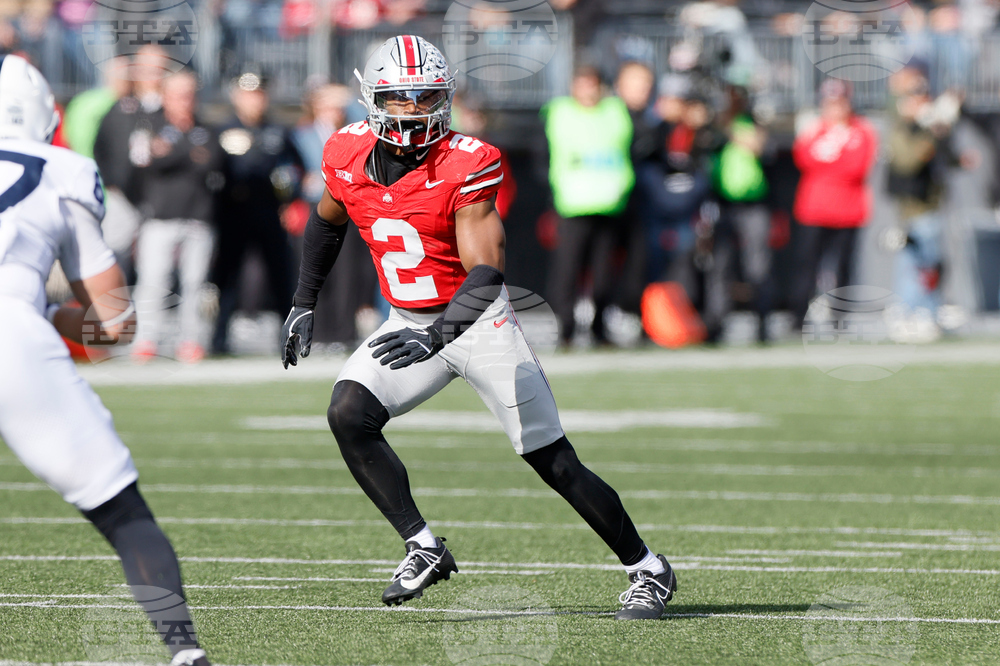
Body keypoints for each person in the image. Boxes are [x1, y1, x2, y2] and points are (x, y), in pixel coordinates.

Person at [280, 35, 676, 620]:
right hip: (408, 320)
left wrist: (437, 336)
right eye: (401, 98)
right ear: (373, 99)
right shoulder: (343, 152)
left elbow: (487, 271)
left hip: (476, 322)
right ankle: (422, 546)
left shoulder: (467, 160)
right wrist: (303, 300)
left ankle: (648, 568)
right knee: (348, 412)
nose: (414, 110)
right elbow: (326, 222)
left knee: (552, 458)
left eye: (426, 98)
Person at [0, 55, 210, 666]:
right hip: (13, 336)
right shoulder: (62, 168)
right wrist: (53, 322)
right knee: (120, 508)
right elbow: (113, 323)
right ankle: (186, 654)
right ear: (48, 118)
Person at [130, 70, 223, 363]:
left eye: (190, 94)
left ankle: (191, 341)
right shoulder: (149, 125)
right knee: (153, 280)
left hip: (198, 217)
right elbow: (147, 161)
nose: (185, 101)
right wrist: (184, 153)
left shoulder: (206, 128)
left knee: (195, 283)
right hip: (159, 217)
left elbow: (212, 161)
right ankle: (146, 340)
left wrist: (173, 153)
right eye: (179, 95)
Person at [211, 70, 303, 355]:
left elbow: (298, 169)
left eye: (259, 95)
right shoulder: (222, 130)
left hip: (268, 212)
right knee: (226, 277)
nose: (254, 101)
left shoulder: (278, 131)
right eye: (249, 95)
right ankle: (219, 339)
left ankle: (288, 337)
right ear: (237, 97)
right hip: (233, 213)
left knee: (281, 275)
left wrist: (290, 193)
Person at [543, 65, 635, 346]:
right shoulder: (560, 111)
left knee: (604, 274)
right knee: (568, 272)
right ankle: (566, 330)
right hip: (573, 206)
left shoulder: (614, 111)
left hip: (609, 205)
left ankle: (599, 327)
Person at [290, 83, 378, 348]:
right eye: (328, 103)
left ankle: (343, 333)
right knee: (316, 270)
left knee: (346, 274)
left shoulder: (352, 131)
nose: (334, 110)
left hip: (346, 208)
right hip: (313, 206)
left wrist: (350, 99)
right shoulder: (302, 134)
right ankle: (317, 332)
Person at [790, 79, 878, 327]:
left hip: (848, 211)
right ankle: (798, 316)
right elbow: (803, 159)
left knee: (844, 267)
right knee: (806, 265)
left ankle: (840, 318)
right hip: (814, 209)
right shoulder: (814, 129)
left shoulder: (861, 130)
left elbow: (856, 167)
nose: (834, 110)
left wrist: (828, 164)